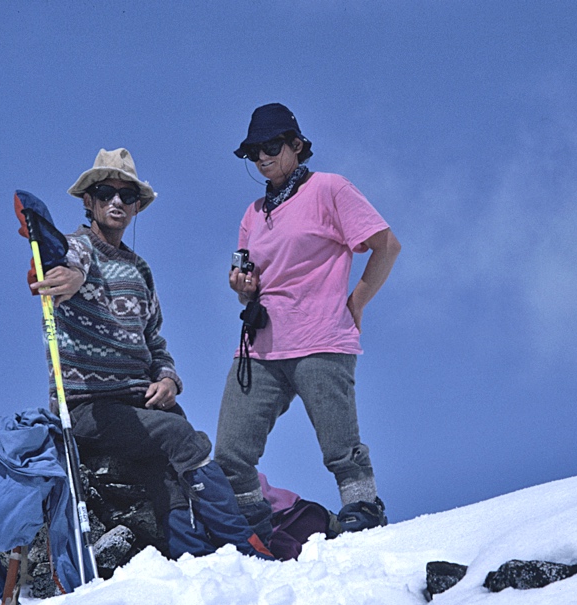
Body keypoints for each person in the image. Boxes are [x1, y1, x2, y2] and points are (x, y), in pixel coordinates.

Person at [30, 147, 271, 560]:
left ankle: (191, 554)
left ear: (138, 206)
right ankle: (244, 545)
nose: (116, 202)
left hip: (138, 401)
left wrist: (167, 379)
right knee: (180, 437)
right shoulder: (78, 248)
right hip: (88, 407)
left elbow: (155, 341)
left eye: (127, 196)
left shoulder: (140, 270)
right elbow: (67, 263)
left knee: (168, 471)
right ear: (88, 200)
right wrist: (63, 274)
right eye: (105, 192)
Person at [215, 103, 402, 545]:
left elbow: (386, 245)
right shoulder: (253, 212)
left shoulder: (330, 189)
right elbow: (248, 285)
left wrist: (356, 302)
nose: (261, 157)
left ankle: (363, 512)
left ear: (297, 145)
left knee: (341, 448)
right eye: (253, 151)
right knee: (229, 453)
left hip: (320, 337)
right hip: (260, 348)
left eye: (271, 146)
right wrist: (242, 286)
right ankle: (254, 527)